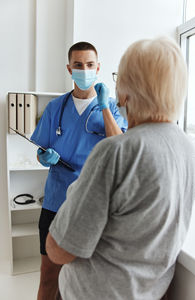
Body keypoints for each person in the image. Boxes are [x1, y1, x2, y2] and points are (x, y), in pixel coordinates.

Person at [46, 37, 195, 300]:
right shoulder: (188, 151)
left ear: (126, 91)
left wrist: (75, 194)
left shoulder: (115, 151)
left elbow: (60, 250)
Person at [31, 41, 127, 300]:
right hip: (56, 203)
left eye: (89, 65)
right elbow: (41, 150)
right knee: (49, 276)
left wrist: (105, 106)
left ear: (98, 68)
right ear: (69, 68)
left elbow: (119, 146)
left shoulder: (111, 108)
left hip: (93, 206)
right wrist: (44, 157)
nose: (84, 70)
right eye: (78, 65)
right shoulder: (55, 108)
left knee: (87, 283)